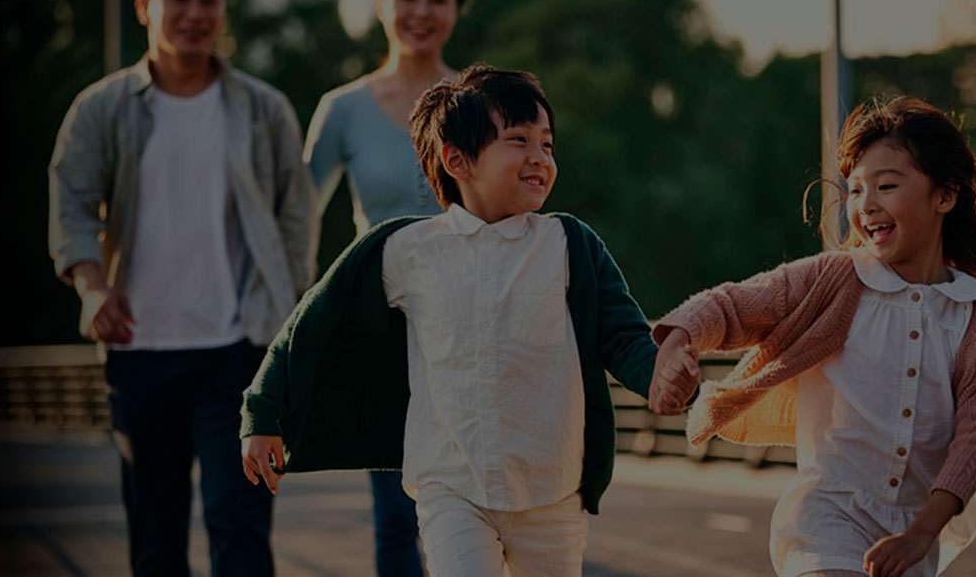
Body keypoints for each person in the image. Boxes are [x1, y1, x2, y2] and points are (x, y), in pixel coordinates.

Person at [238, 64, 693, 577]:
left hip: (552, 491)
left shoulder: (570, 246)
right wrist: (264, 410)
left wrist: (660, 372)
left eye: (547, 144)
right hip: (451, 487)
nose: (539, 157)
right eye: (518, 141)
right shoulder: (407, 249)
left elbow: (623, 335)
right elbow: (311, 324)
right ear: (457, 160)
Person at [649, 95, 976, 577]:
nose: (865, 206)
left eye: (886, 185)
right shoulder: (833, 279)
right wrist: (677, 343)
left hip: (915, 531)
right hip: (827, 514)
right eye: (855, 190)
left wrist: (922, 534)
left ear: (944, 196)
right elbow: (729, 304)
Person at [46, 0, 315, 574]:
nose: (196, 13)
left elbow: (296, 219)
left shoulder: (263, 108)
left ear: (224, 7)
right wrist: (92, 285)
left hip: (240, 350)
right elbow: (71, 202)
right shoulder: (101, 107)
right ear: (145, 5)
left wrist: (291, 322)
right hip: (140, 350)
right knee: (156, 534)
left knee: (239, 524)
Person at [300, 0, 468, 572]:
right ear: (380, 3)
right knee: (396, 515)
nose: (421, 11)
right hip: (382, 333)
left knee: (487, 503)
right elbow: (299, 219)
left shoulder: (483, 97)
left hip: (479, 327)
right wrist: (307, 319)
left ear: (457, 8)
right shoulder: (341, 108)